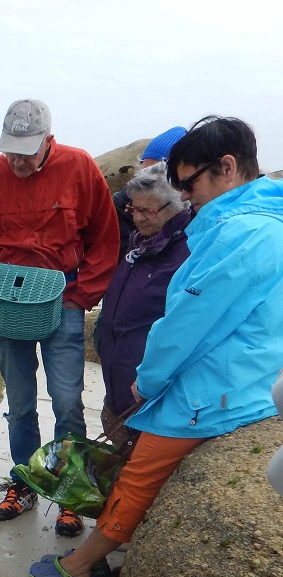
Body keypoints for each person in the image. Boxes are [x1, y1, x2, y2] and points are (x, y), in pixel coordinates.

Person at [31, 116, 283, 577]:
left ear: (226, 167)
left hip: (216, 390)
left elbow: (187, 324)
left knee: (139, 474)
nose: (185, 196)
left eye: (188, 183)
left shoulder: (239, 234)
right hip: (255, 378)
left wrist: (147, 382)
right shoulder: (270, 222)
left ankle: (82, 566)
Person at [0, 98, 119, 537]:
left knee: (67, 401)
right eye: (11, 149)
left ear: (49, 140)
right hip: (6, 302)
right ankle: (24, 482)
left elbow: (106, 237)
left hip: (61, 298)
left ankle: (69, 490)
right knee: (21, 403)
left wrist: (81, 295)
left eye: (26, 150)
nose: (17, 159)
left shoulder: (80, 167)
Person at [97, 162, 192, 444]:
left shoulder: (185, 253)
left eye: (147, 211)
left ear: (176, 206)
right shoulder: (138, 244)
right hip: (119, 389)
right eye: (133, 209)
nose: (137, 218)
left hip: (150, 397)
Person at [114, 126, 187, 258]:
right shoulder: (120, 207)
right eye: (144, 170)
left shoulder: (192, 231)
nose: (148, 177)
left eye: (159, 171)